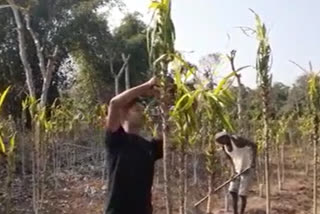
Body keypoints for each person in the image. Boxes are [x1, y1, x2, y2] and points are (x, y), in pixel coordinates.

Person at [104, 77, 163, 214]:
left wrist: (165, 101)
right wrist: (147, 86)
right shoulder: (116, 139)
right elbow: (115, 103)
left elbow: (167, 131)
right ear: (124, 113)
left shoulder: (149, 147)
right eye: (137, 110)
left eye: (143, 111)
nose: (142, 114)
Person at [215, 131, 257, 214]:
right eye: (219, 142)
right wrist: (232, 172)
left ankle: (241, 212)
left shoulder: (236, 140)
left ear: (226, 137)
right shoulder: (224, 148)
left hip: (247, 168)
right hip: (237, 170)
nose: (221, 143)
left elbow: (254, 145)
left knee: (242, 194)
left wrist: (252, 161)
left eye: (221, 140)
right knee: (232, 191)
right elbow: (230, 160)